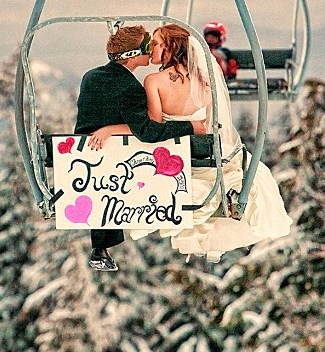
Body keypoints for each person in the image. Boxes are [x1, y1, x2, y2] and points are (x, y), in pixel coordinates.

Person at [90, 24, 292, 262]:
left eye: (156, 43)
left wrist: (111, 130)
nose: (151, 48)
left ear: (171, 47)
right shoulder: (205, 81)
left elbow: (152, 128)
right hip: (209, 159)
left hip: (178, 162)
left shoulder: (154, 81)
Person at [75, 24, 206, 271]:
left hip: (85, 158)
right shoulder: (131, 88)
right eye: (148, 46)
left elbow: (102, 119)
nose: (151, 51)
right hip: (115, 160)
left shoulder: (91, 77)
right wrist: (190, 127)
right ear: (133, 54)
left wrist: (111, 129)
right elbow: (147, 131)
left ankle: (100, 248)